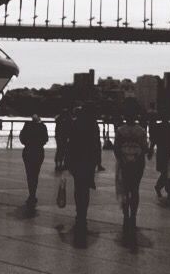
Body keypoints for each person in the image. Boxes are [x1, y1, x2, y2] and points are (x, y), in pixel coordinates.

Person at [64, 101, 101, 243]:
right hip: (88, 161)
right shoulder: (93, 124)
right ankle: (82, 215)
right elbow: (96, 143)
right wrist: (97, 161)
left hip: (76, 160)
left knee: (78, 187)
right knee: (85, 189)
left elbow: (70, 142)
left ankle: (79, 214)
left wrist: (68, 160)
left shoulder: (75, 123)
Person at [114, 96, 150, 232]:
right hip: (137, 163)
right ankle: (133, 215)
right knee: (135, 189)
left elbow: (116, 148)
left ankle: (125, 215)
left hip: (123, 162)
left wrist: (121, 159)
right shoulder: (141, 131)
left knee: (124, 189)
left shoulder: (120, 131)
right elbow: (144, 148)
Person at [19, 114, 49, 213]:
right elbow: (45, 139)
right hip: (38, 151)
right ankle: (33, 193)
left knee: (29, 173)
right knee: (35, 173)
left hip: (28, 151)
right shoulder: (42, 127)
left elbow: (22, 138)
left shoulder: (27, 126)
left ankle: (31, 193)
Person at [152, 115, 170, 199]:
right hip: (169, 152)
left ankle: (160, 186)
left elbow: (154, 139)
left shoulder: (158, 127)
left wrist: (151, 149)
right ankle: (167, 190)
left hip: (161, 152)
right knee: (169, 172)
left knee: (164, 172)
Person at [54, 107, 72, 171]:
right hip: (65, 137)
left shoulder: (59, 119)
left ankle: (57, 164)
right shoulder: (69, 119)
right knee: (64, 150)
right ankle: (61, 164)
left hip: (59, 137)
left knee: (59, 150)